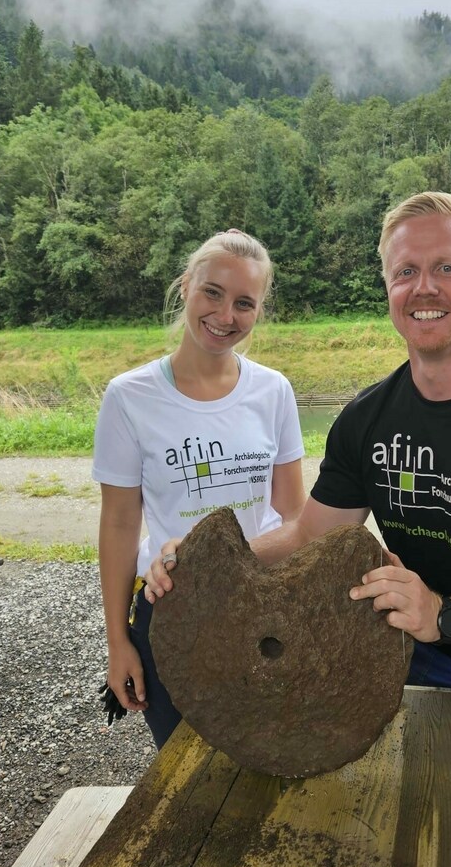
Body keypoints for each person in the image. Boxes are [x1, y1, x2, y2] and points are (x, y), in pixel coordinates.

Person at [146, 192, 451, 867]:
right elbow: (311, 532)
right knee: (419, 865)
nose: (424, 288)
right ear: (388, 287)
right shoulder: (369, 418)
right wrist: (195, 561)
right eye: (406, 272)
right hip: (423, 673)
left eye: (447, 268)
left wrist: (445, 613)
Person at [93, 228, 306, 750]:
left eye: (244, 303)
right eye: (212, 292)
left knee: (264, 760)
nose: (225, 315)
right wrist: (117, 639)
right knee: (183, 770)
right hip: (172, 612)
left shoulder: (273, 391)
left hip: (260, 608)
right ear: (186, 285)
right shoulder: (129, 397)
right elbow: (120, 525)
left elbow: (294, 514)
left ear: (259, 310)